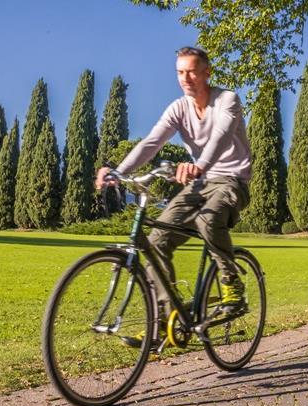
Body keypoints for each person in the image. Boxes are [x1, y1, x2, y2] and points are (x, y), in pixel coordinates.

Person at [95, 47, 251, 316]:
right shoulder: (178, 108)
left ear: (206, 72)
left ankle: (231, 283)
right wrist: (118, 171)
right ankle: (171, 314)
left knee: (208, 219)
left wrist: (200, 165)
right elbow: (152, 142)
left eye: (191, 71)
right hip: (199, 183)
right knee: (157, 241)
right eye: (180, 72)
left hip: (231, 180)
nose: (185, 78)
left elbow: (222, 136)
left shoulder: (227, 99)